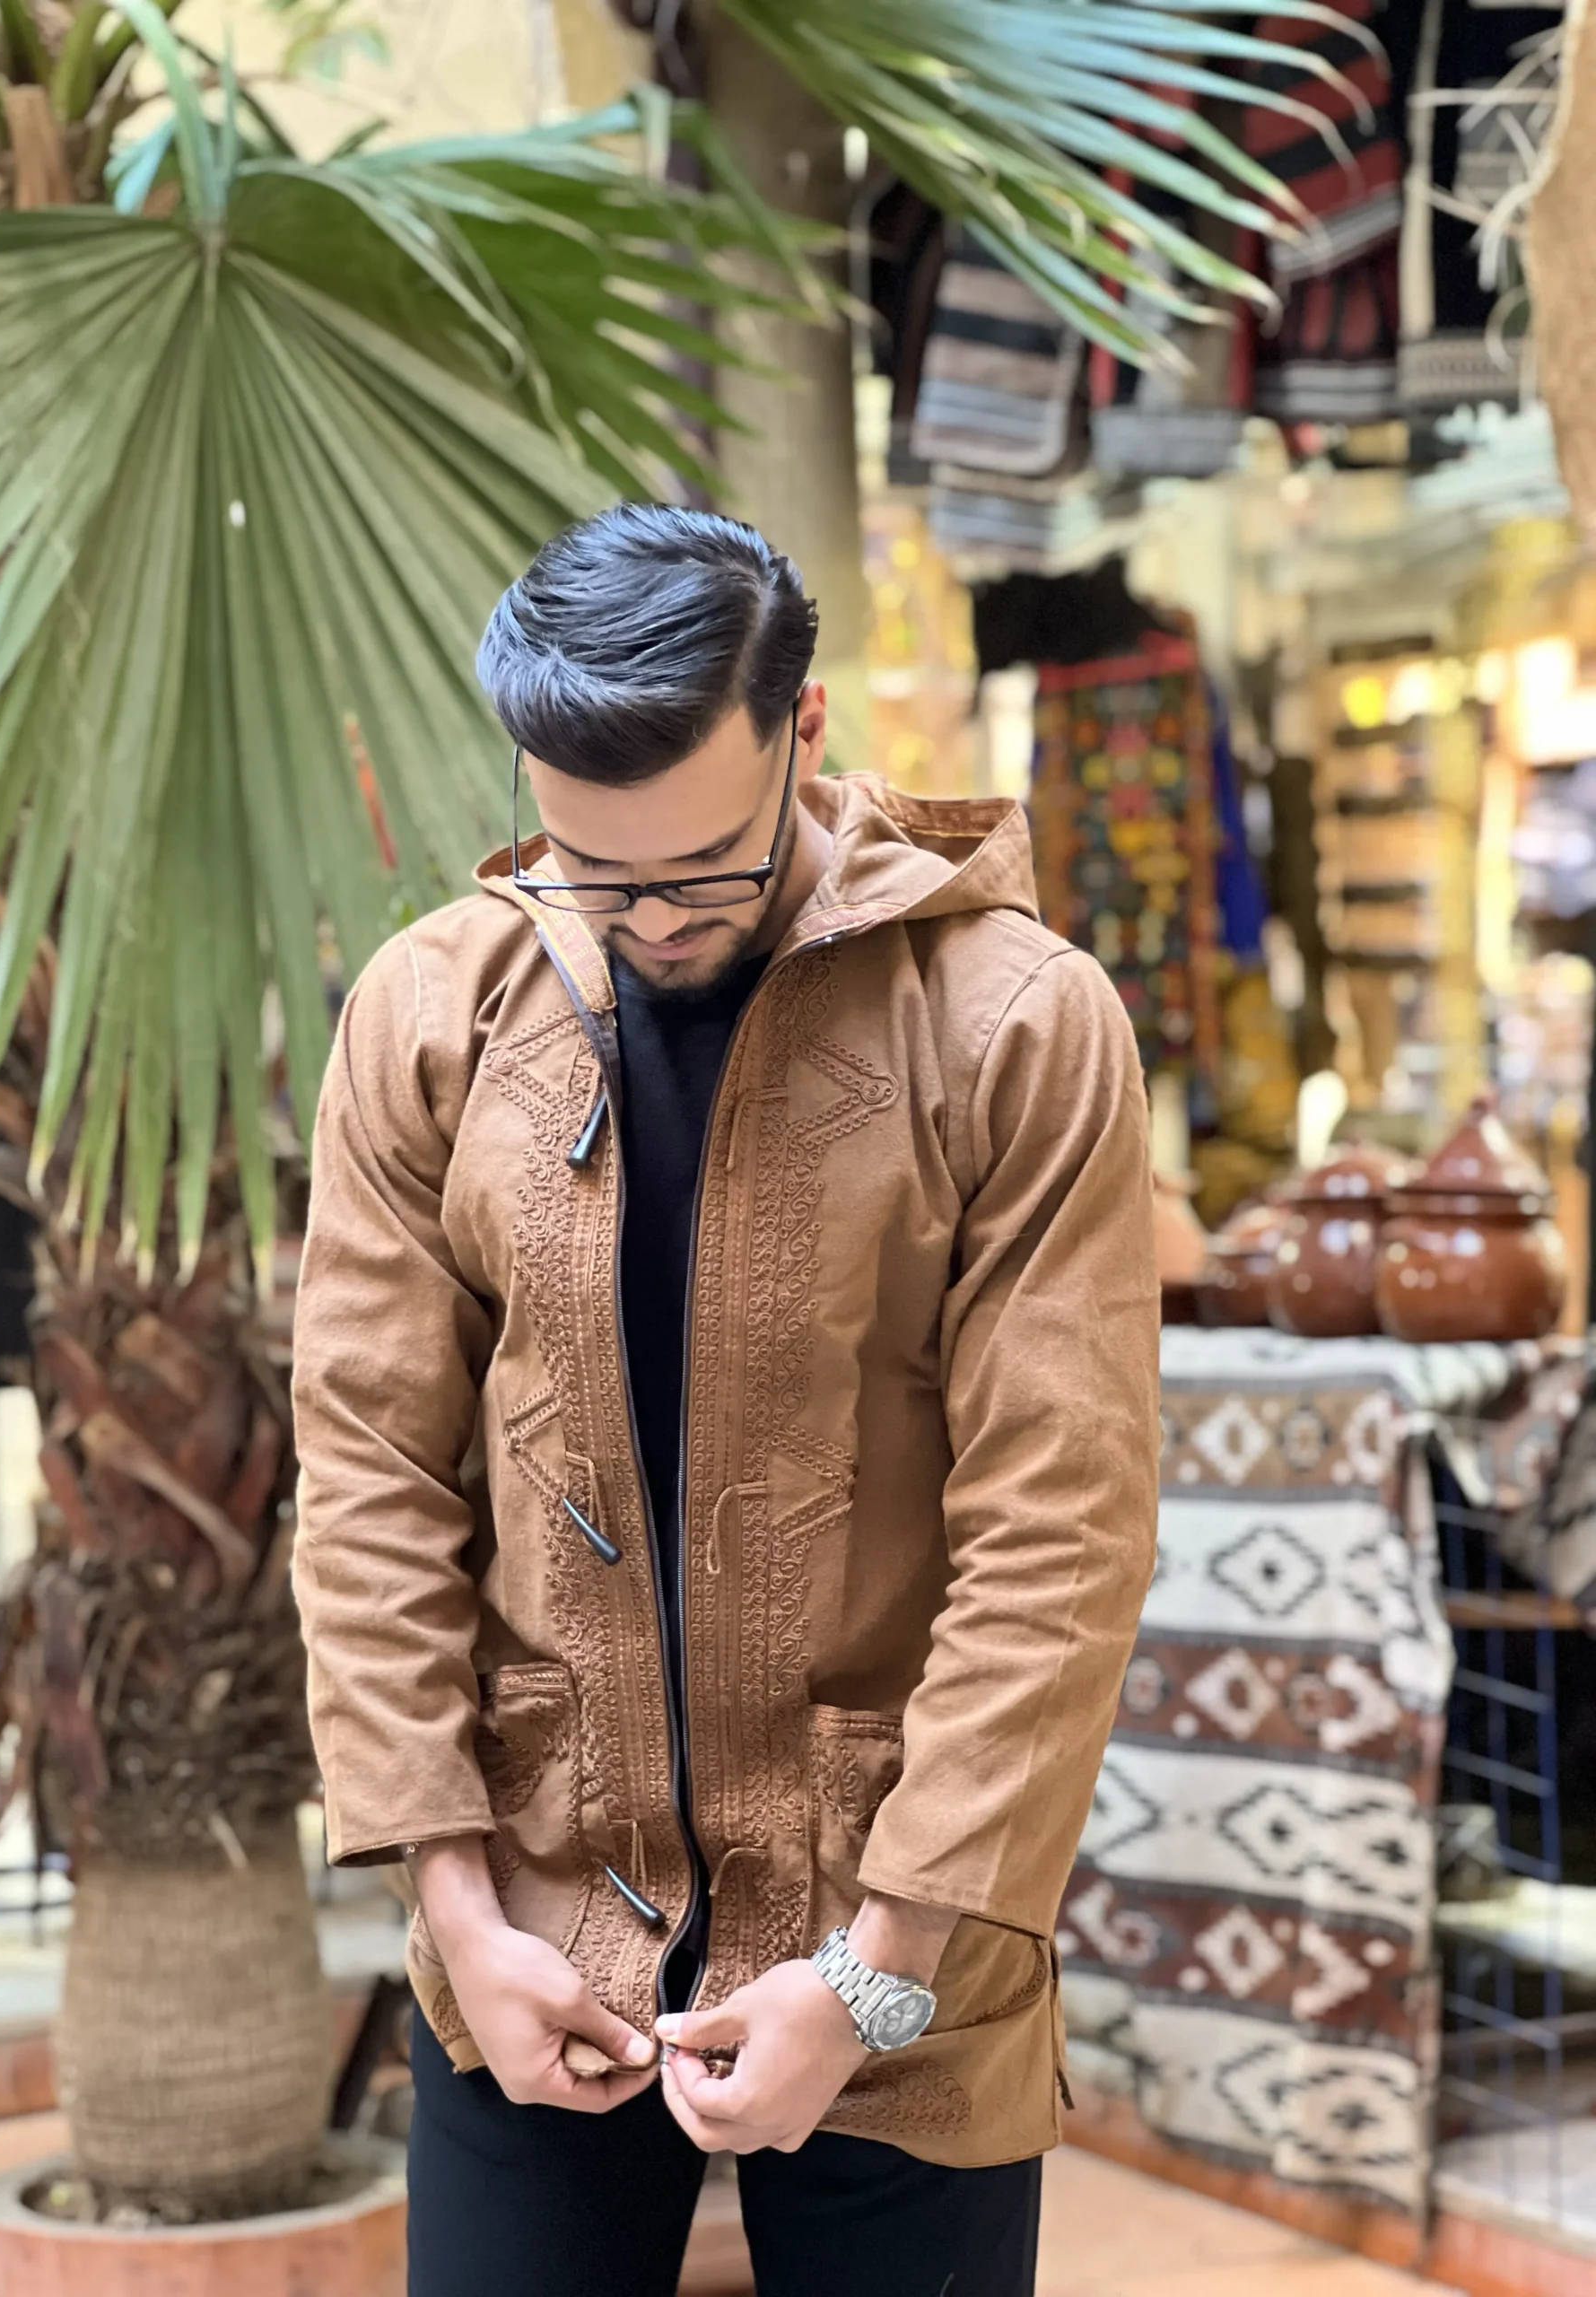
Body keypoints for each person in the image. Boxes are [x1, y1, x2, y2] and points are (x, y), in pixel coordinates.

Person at [292, 505, 1158, 2297]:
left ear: (804, 729)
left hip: (902, 1940)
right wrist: (458, 1914)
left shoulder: (1014, 1026)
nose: (655, 918)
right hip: (534, 1920)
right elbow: (369, 1479)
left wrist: (878, 1970)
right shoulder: (430, 1019)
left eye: (703, 861)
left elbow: (1058, 1535)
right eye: (593, 871)